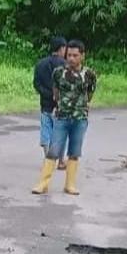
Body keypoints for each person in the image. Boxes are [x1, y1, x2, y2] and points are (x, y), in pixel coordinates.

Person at [31, 40, 97, 196]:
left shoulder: (89, 75)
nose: (71, 59)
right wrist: (62, 103)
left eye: (75, 55)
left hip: (80, 118)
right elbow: (56, 91)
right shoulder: (58, 73)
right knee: (53, 150)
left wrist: (83, 105)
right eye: (69, 55)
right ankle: (43, 183)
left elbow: (90, 94)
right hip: (61, 117)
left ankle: (70, 184)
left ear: (82, 56)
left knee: (74, 151)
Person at [33, 37, 68, 169]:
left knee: (46, 130)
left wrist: (47, 94)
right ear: (61, 48)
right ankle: (60, 160)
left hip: (45, 104)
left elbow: (36, 84)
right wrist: (57, 96)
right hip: (60, 105)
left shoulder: (40, 64)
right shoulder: (65, 65)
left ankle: (48, 158)